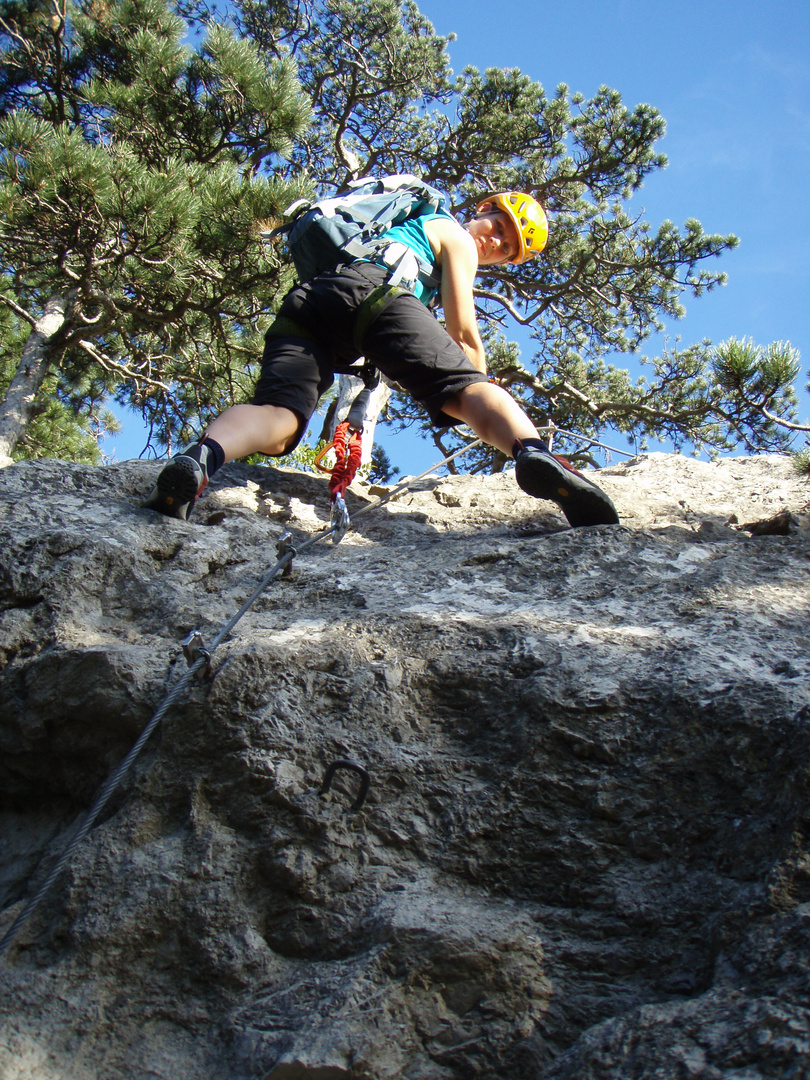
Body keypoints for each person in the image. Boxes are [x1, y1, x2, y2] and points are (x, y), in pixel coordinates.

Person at [145, 190, 619, 528]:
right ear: (481, 210)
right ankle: (535, 455)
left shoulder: (394, 229)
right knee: (464, 391)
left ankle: (201, 459)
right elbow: (462, 329)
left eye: (507, 248)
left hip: (312, 301)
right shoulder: (450, 231)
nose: (494, 242)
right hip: (378, 297)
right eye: (498, 227)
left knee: (282, 418)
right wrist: (472, 381)